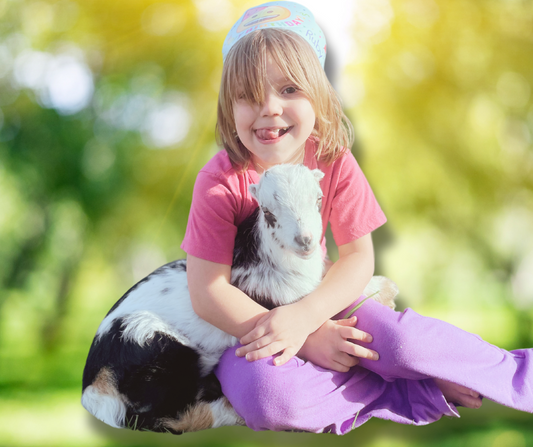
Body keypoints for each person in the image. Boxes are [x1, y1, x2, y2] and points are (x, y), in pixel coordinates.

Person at [181, 1, 533, 435]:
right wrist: (305, 338)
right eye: (248, 96)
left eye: (289, 89)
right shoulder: (219, 182)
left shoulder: (333, 161)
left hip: (324, 296)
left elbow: (357, 258)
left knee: (403, 343)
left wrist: (309, 316)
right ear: (228, 108)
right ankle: (409, 390)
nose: (268, 108)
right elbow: (208, 291)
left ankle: (518, 374)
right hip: (253, 322)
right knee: (265, 396)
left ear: (319, 95)